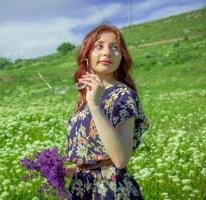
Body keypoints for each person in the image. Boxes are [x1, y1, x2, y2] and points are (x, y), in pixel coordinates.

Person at [65, 24, 150, 200]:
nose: (107, 52)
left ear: (122, 57)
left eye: (115, 47)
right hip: (82, 190)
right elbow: (95, 161)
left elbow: (119, 159)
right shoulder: (85, 98)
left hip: (110, 190)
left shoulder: (123, 95)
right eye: (99, 46)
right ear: (86, 54)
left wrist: (95, 107)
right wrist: (63, 171)